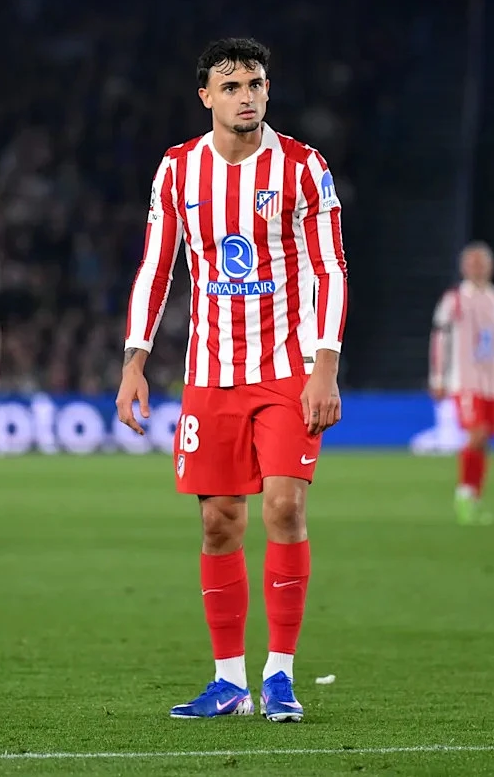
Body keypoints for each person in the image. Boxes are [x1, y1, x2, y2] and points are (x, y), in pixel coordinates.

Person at [115, 37, 347, 722]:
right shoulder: (178, 170)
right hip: (210, 374)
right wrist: (133, 361)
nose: (246, 96)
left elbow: (331, 269)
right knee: (219, 522)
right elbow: (156, 267)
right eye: (232, 85)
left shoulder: (304, 167)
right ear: (206, 96)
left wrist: (325, 367)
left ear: (267, 90)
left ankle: (280, 674)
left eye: (255, 84)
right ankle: (228, 682)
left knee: (284, 508)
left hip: (287, 370)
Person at [428, 242, 494, 525]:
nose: (477, 268)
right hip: (464, 381)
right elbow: (440, 340)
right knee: (476, 434)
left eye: (481, 263)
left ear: (491, 267)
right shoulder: (453, 299)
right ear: (463, 267)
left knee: (484, 439)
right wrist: (437, 377)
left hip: (492, 384)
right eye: (472, 263)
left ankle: (474, 497)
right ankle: (464, 495)